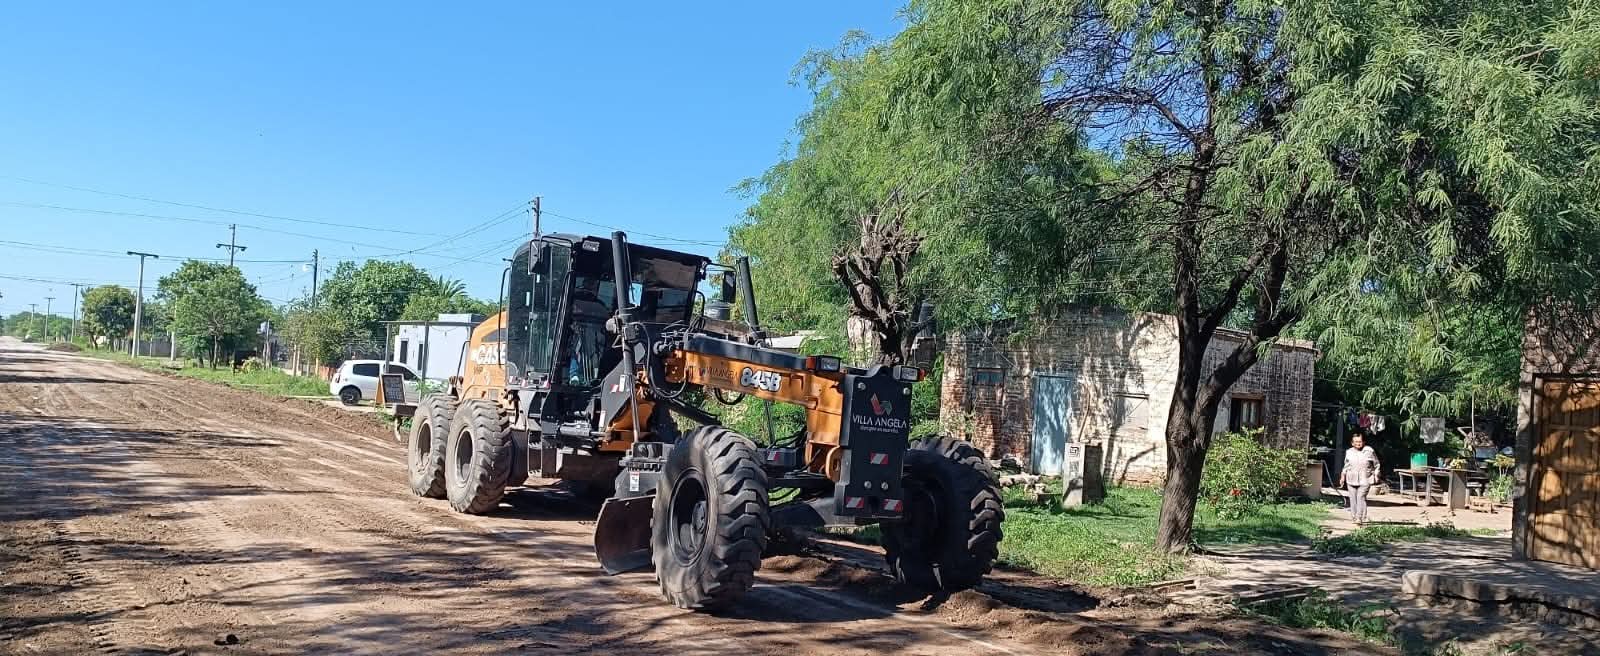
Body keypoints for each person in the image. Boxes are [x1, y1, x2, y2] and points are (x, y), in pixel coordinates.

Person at [1340, 434, 1381, 525]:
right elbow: (1346, 466)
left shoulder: (1369, 451)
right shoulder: (1349, 452)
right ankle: (1354, 517)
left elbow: (1377, 464)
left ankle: (1359, 517)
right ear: (1352, 443)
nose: (1358, 444)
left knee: (1361, 497)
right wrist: (1342, 476)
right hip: (1351, 478)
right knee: (1353, 498)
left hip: (1365, 478)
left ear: (1363, 442)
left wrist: (1376, 474)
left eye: (1360, 441)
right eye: (1356, 442)